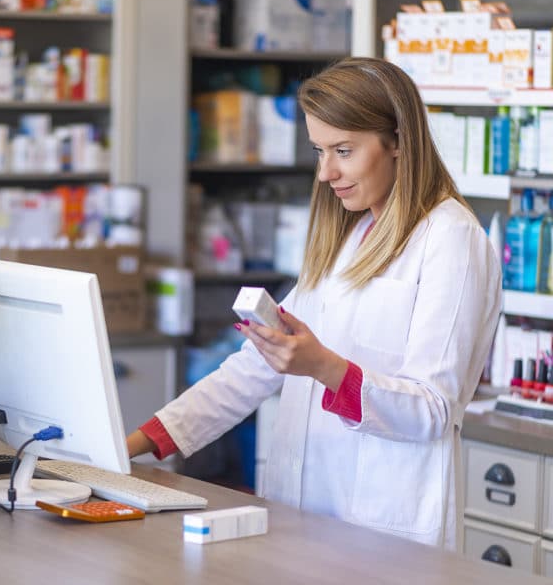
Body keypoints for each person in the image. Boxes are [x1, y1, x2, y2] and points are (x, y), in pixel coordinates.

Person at [126, 57, 502, 552]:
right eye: (320, 151)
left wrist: (324, 367)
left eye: (344, 150)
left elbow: (431, 409)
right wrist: (135, 445)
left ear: (399, 143)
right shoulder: (353, 234)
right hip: (305, 517)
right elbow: (253, 368)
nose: (326, 172)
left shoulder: (452, 240)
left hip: (385, 533)